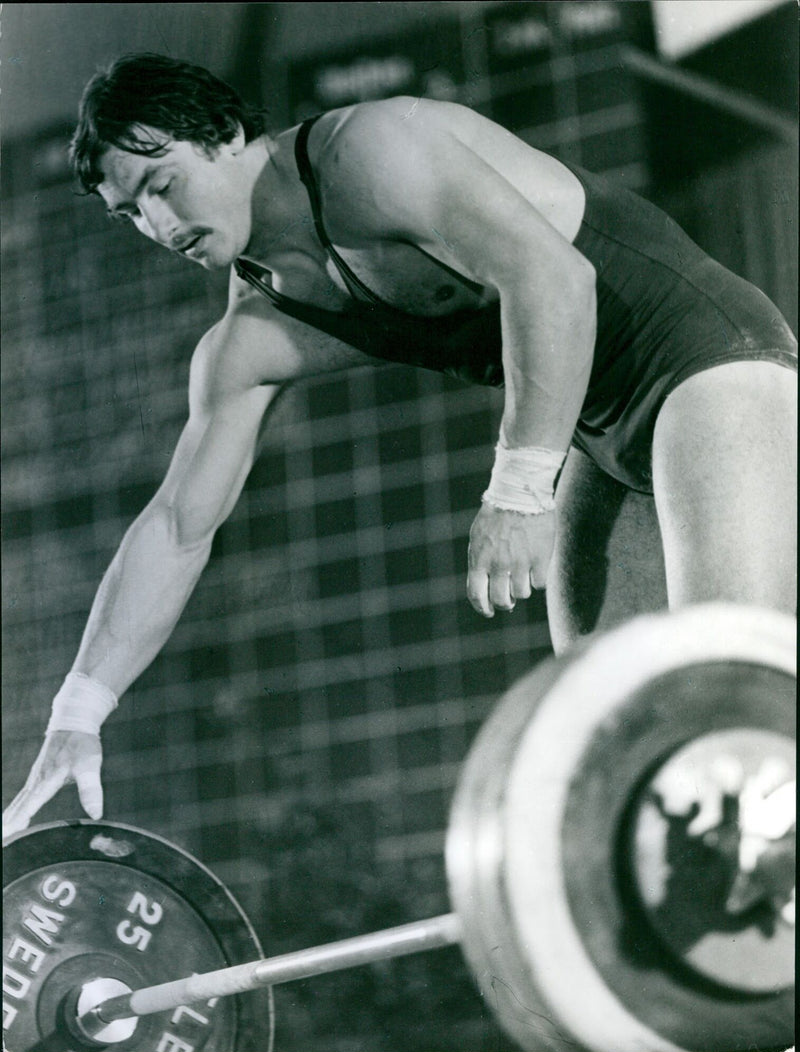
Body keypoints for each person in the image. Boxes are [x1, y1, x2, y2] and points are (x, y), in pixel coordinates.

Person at [3, 54, 796, 838]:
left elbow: (555, 280)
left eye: (163, 184)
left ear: (224, 134)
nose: (159, 226)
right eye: (129, 212)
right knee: (618, 737)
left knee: (729, 699)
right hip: (602, 437)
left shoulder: (371, 152)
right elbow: (179, 525)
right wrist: (79, 710)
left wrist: (519, 491)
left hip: (707, 362)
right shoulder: (251, 337)